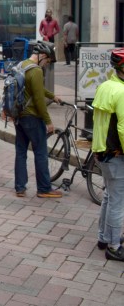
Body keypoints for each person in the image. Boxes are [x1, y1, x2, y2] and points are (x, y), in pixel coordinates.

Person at [11, 41, 63, 198]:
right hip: (32, 117)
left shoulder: (22, 65)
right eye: (47, 61)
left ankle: (20, 187)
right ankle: (44, 188)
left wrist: (52, 96)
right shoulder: (37, 71)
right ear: (42, 56)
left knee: (21, 151)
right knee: (40, 152)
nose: (47, 64)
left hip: (18, 115)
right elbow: (39, 100)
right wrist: (48, 121)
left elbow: (36, 89)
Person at [92, 48, 124, 261]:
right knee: (117, 202)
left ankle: (103, 238)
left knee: (108, 196)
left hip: (102, 151)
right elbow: (123, 128)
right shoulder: (122, 92)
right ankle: (114, 246)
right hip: (116, 154)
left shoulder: (105, 85)